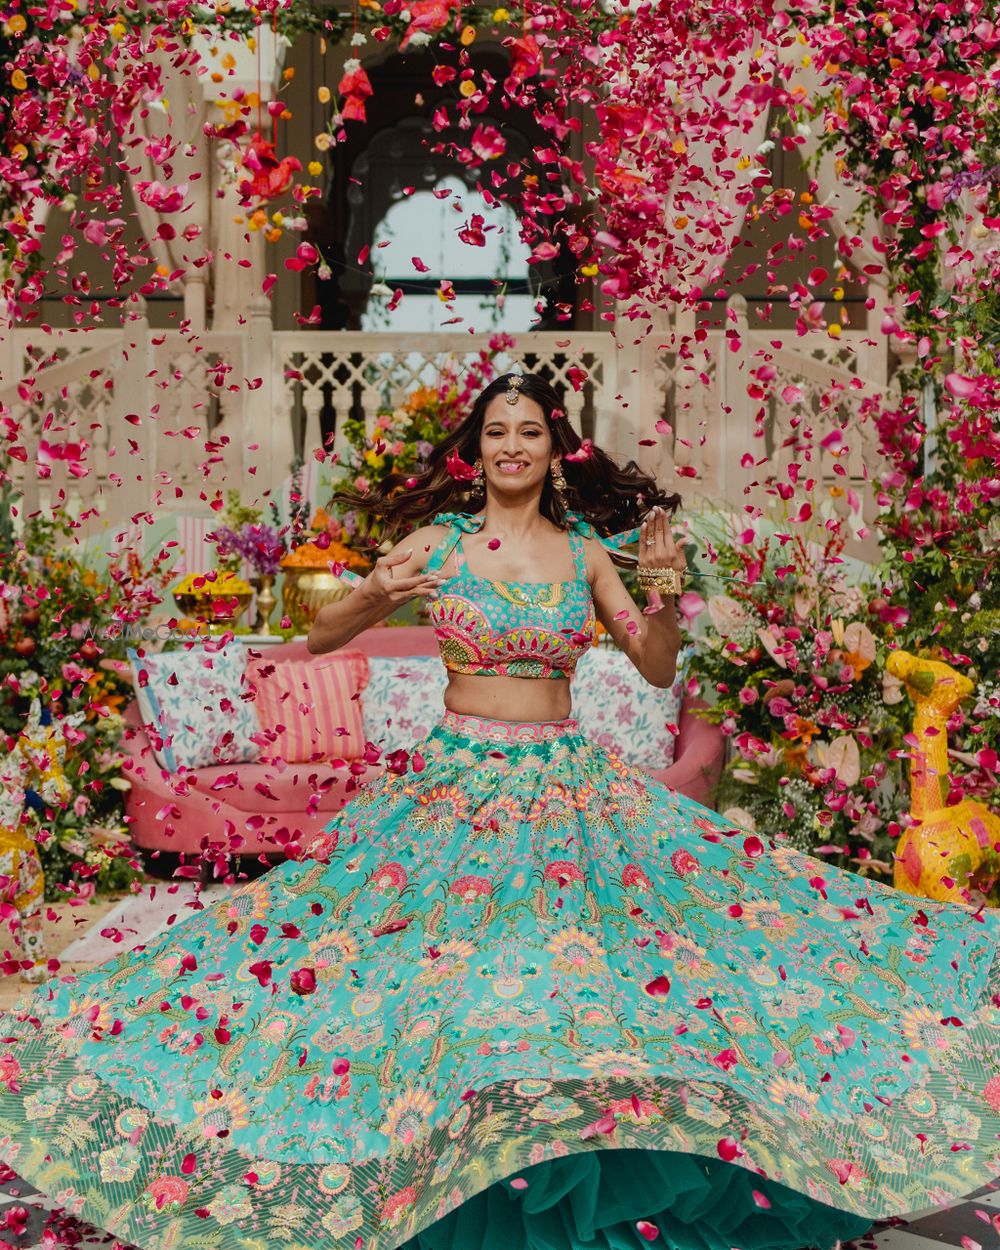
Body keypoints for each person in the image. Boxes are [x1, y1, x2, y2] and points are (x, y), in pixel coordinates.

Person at [0, 372, 996, 1250]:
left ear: (553, 446)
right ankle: (441, 1170)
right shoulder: (434, 543)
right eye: (495, 431)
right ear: (475, 449)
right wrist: (370, 590)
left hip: (570, 793)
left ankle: (578, 1181)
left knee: (584, 993)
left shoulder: (585, 553)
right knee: (446, 991)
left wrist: (658, 589)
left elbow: (651, 663)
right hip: (455, 792)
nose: (511, 444)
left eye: (528, 429)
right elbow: (318, 636)